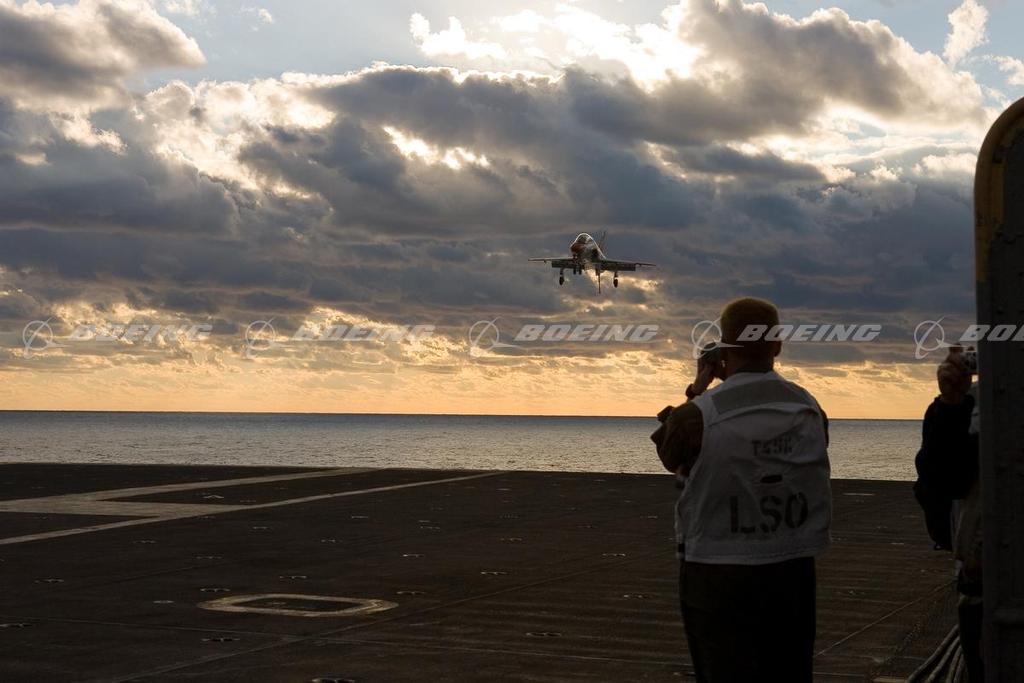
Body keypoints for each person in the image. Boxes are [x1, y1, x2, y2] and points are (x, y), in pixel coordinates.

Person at [651, 297, 832, 682]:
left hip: (717, 567)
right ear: (777, 346)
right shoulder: (809, 409)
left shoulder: (699, 414)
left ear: (724, 349)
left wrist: (698, 388)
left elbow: (670, 454)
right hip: (791, 565)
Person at [915, 348, 983, 681]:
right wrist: (950, 405)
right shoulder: (969, 405)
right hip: (980, 574)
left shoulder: (975, 405)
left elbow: (937, 487)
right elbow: (943, 483)